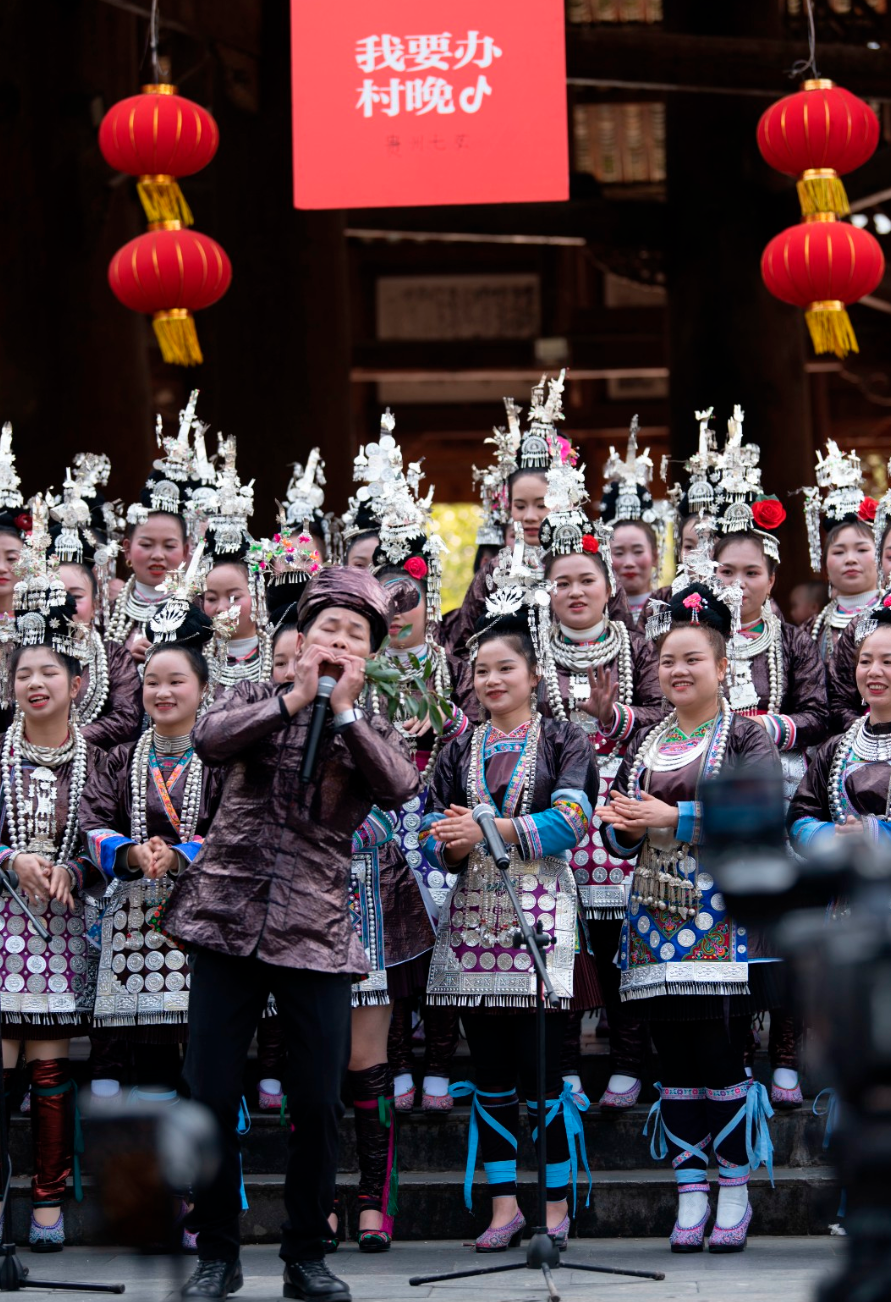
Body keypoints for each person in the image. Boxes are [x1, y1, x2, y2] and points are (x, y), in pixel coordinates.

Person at [164, 566, 421, 1302]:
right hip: (225, 919)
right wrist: (294, 699)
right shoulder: (254, 694)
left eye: (354, 634)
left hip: (313, 929)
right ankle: (217, 1253)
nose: (338, 641)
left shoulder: (371, 722)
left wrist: (339, 715)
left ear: (368, 654)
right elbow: (209, 741)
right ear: (302, 639)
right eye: (327, 630)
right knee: (209, 1094)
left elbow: (401, 787)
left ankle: (306, 1254)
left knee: (316, 1100)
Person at [419, 568, 599, 1253]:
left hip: (543, 922)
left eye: (505, 668)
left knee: (545, 1078)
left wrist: (485, 830)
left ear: (530, 675)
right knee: (488, 1077)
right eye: (481, 671)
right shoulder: (456, 748)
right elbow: (434, 839)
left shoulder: (563, 742)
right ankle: (503, 1205)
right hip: (472, 927)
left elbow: (573, 820)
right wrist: (452, 842)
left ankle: (553, 1204)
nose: (491, 681)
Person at [600, 579, 781, 1254]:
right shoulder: (645, 742)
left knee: (720, 1059)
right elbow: (619, 827)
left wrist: (676, 818)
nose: (677, 671)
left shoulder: (744, 737)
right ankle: (689, 1193)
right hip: (653, 920)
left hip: (724, 926)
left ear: (720, 666)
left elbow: (764, 817)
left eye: (691, 660)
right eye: (667, 661)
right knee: (673, 1064)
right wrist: (620, 824)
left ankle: (732, 1190)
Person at [78, 595, 225, 1250]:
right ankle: (158, 1199)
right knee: (147, 1066)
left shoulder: (222, 757)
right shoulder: (118, 759)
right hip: (137, 926)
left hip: (205, 928)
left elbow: (236, 828)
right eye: (153, 681)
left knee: (206, 1067)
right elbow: (90, 824)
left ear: (202, 688)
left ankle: (207, 1203)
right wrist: (132, 853)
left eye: (176, 681)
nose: (162, 692)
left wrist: (186, 852)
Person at [536, 458, 662, 1109]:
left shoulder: (636, 641)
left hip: (623, 806)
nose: (574, 592)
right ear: (548, 593)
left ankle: (628, 1059)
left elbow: (668, 714)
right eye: (562, 583)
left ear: (608, 585)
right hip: (556, 812)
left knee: (625, 944)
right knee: (560, 945)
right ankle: (561, 1068)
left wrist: (616, 717)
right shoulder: (533, 652)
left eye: (586, 580)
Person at [0, 500, 105, 1251]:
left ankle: (48, 1202)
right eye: (24, 674)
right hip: (3, 923)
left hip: (66, 925)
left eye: (48, 673)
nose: (36, 684)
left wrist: (69, 865)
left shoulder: (98, 758)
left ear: (74, 681)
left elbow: (108, 834)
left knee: (49, 1071)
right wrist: (10, 858)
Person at [105, 393, 211, 660]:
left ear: (187, 550)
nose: (158, 555)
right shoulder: (107, 607)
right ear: (126, 550)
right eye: (146, 544)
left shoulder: (203, 607)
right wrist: (124, 659)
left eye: (169, 545)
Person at [789, 597, 891, 852]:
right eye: (865, 661)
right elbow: (800, 818)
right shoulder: (838, 748)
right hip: (847, 888)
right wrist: (831, 835)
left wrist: (873, 833)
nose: (873, 671)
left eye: (887, 662)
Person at [800, 441, 879, 660]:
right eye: (839, 552)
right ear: (824, 561)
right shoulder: (810, 630)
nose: (850, 559)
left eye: (862, 549)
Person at [599, 416, 670, 625]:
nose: (629, 563)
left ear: (655, 556)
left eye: (638, 551)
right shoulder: (596, 615)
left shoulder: (670, 608)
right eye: (618, 553)